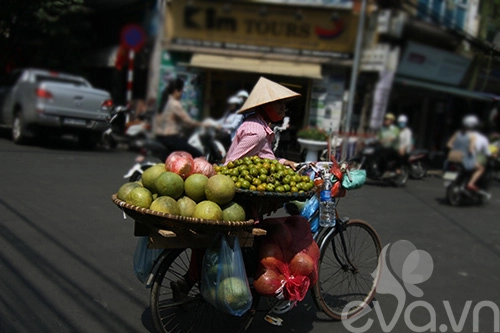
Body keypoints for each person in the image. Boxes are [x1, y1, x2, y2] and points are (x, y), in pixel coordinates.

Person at [224, 77, 299, 169]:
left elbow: (264, 155)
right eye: (279, 103)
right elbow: (230, 165)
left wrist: (284, 162)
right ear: (266, 106)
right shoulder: (257, 134)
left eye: (284, 103)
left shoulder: (260, 124)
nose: (284, 108)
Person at [153, 78, 203, 157]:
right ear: (176, 91)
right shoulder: (174, 104)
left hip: (160, 138)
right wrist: (203, 124)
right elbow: (188, 121)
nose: (182, 94)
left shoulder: (164, 101)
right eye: (181, 91)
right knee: (197, 154)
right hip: (170, 139)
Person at [446, 114, 480, 191]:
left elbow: (449, 144)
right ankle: (469, 184)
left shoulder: (457, 133)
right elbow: (471, 149)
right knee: (478, 168)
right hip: (464, 159)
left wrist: (455, 149)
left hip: (452, 157)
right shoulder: (472, 136)